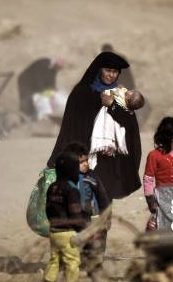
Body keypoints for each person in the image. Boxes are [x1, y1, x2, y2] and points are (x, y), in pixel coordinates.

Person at [47, 51, 142, 200]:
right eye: (108, 70)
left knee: (104, 200)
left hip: (109, 158)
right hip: (85, 157)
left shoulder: (121, 95)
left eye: (115, 72)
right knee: (83, 199)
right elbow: (68, 128)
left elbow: (129, 125)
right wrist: (57, 159)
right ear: (99, 70)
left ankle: (103, 223)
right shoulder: (81, 93)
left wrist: (112, 106)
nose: (111, 75)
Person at [42, 152, 88, 282]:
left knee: (54, 260)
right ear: (72, 170)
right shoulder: (71, 189)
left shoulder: (53, 187)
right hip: (68, 233)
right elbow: (75, 212)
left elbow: (48, 209)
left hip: (54, 231)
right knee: (72, 260)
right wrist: (82, 226)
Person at [63, 142, 110, 280]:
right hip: (73, 221)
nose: (85, 164)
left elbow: (103, 199)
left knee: (96, 245)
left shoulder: (92, 178)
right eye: (81, 162)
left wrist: (107, 217)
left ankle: (94, 270)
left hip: (91, 219)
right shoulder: (65, 180)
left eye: (86, 160)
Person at [88, 87, 144, 169]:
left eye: (132, 93)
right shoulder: (123, 107)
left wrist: (111, 103)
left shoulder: (126, 114)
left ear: (128, 99)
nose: (131, 90)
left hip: (114, 159)